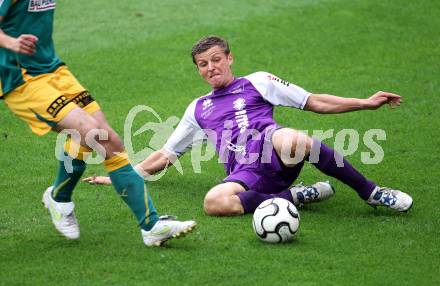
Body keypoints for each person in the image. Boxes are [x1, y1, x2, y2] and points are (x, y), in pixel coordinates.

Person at [85, 35, 413, 216]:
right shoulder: (197, 109)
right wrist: (120, 174)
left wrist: (365, 103)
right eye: (203, 64)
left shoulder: (258, 82)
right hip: (245, 172)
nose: (211, 67)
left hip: (273, 150)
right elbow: (165, 156)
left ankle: (372, 193)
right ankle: (292, 197)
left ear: (229, 58)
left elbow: (313, 101)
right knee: (214, 202)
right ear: (198, 70)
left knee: (293, 139)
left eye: (216, 59)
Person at [0, 0, 196, 246]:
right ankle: (149, 223)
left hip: (53, 69)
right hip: (20, 79)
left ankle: (147, 226)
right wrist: (10, 43)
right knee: (94, 134)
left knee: (110, 139)